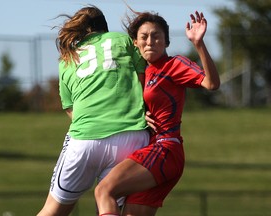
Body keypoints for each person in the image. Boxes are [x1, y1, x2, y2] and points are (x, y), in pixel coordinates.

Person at [95, 10, 220, 216]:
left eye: (156, 36)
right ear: (135, 43)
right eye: (144, 37)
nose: (150, 41)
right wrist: (140, 114)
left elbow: (212, 83)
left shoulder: (173, 65)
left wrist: (198, 44)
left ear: (166, 42)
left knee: (104, 190)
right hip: (153, 151)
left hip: (165, 149)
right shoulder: (141, 71)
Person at [37, 5, 150, 216]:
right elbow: (144, 82)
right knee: (109, 203)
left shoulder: (67, 59)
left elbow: (71, 109)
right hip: (130, 136)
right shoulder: (123, 40)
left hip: (85, 140)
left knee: (52, 210)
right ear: (105, 28)